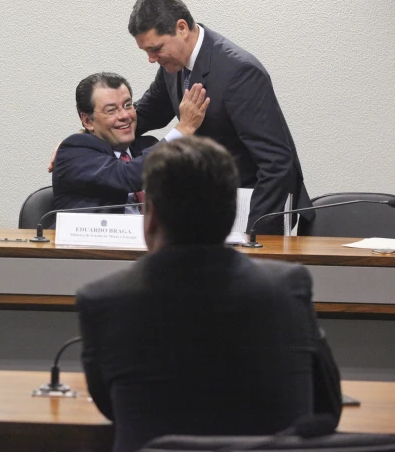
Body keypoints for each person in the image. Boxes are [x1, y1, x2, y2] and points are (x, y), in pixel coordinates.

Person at [76, 136, 342, 452]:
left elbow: (111, 408)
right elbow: (328, 407)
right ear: (232, 213)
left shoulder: (103, 299)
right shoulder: (288, 287)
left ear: (152, 216)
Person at [128, 0, 311, 234]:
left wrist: (255, 233)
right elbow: (145, 115)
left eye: (156, 48)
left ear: (181, 28)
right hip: (206, 208)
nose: (151, 59)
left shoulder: (239, 72)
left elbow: (276, 163)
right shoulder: (173, 66)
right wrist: (87, 137)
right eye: (146, 52)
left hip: (249, 209)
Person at [52, 72, 207, 212]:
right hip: (95, 242)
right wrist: (183, 129)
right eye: (111, 110)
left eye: (128, 105)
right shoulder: (74, 151)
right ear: (87, 121)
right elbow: (127, 176)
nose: (124, 115)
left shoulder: (147, 146)